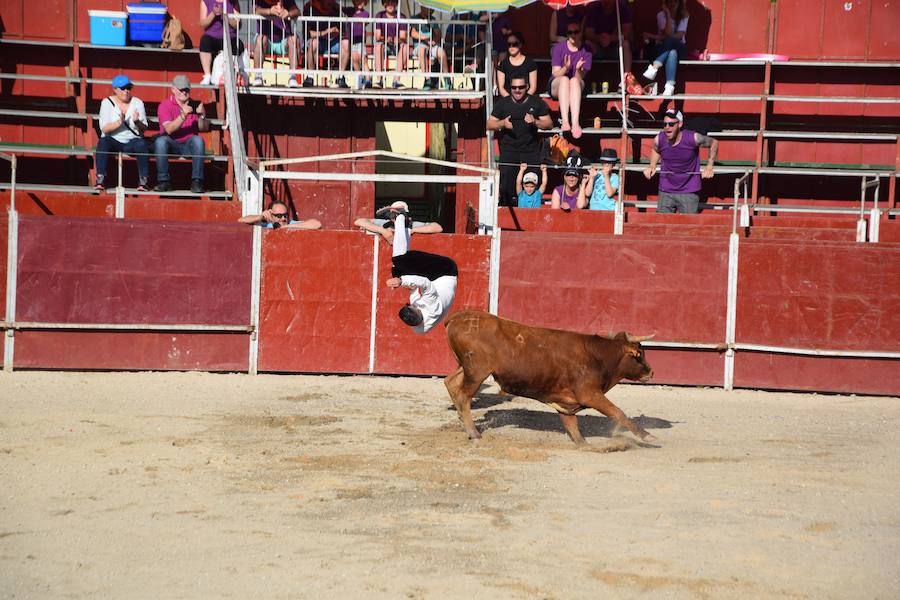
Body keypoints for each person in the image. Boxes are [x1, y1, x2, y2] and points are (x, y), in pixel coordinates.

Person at [380, 203, 457, 335]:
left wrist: (408, 286)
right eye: (413, 306)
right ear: (418, 310)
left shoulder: (419, 329)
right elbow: (425, 283)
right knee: (400, 260)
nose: (413, 304)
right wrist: (401, 281)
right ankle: (400, 216)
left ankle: (405, 229)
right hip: (444, 270)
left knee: (398, 270)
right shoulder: (432, 306)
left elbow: (415, 293)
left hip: (436, 279)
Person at [487, 75, 553, 207]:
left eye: (521, 87)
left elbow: (549, 123)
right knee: (507, 189)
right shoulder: (503, 103)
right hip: (509, 151)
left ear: (527, 87)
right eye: (514, 87)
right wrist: (502, 124)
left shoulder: (536, 102)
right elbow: (489, 124)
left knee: (532, 188)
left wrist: (535, 121)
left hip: (531, 151)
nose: (517, 90)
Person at [643, 109, 718, 214]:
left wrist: (709, 166)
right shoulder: (659, 139)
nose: (667, 127)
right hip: (666, 190)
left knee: (688, 226)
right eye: (664, 124)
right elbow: (656, 149)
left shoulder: (692, 138)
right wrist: (652, 165)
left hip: (689, 191)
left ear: (680, 124)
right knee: (662, 225)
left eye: (671, 124)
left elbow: (713, 143)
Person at [94, 75, 150, 192]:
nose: (126, 91)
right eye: (123, 88)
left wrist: (136, 121)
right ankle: (100, 178)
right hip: (113, 139)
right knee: (103, 142)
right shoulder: (107, 102)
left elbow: (144, 128)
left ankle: (143, 180)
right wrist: (119, 122)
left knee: (141, 144)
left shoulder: (137, 102)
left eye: (128, 87)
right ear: (115, 89)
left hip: (132, 140)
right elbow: (104, 128)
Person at [155, 75, 207, 194]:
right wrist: (183, 116)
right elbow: (168, 129)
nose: (184, 92)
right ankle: (163, 181)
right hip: (171, 143)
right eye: (181, 89)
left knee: (198, 140)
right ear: (173, 89)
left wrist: (202, 116)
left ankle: (197, 181)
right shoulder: (165, 105)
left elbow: (204, 128)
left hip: (189, 144)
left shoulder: (195, 104)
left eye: (186, 89)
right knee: (160, 142)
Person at [549, 24, 592, 139]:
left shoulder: (586, 50)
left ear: (580, 33)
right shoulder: (559, 48)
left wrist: (577, 69)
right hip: (557, 84)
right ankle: (565, 121)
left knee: (573, 80)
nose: (573, 35)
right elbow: (555, 73)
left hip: (576, 83)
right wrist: (566, 69)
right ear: (567, 34)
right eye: (570, 32)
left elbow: (580, 78)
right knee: (564, 79)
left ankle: (575, 123)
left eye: (576, 32)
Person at [642, 0, 689, 97]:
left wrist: (654, 36)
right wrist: (668, 15)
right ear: (666, 3)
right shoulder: (661, 15)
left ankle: (654, 67)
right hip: (663, 48)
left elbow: (679, 36)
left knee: (671, 41)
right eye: (670, 1)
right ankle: (670, 86)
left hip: (681, 47)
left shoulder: (685, 15)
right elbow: (667, 33)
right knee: (672, 52)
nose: (673, 3)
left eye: (675, 1)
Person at [253, 0, 300, 87]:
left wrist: (288, 13)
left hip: (283, 41)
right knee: (260, 38)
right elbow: (256, 10)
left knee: (294, 38)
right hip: (267, 41)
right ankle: (258, 76)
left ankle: (292, 77)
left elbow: (297, 11)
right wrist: (269, 11)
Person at [584, 0, 633, 79]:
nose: (606, 2)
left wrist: (611, 38)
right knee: (587, 44)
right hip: (598, 46)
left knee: (626, 44)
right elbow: (588, 33)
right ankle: (583, 77)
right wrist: (599, 38)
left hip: (616, 47)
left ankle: (626, 78)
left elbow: (627, 32)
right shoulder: (594, 8)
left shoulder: (622, 8)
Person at [354, 201, 443, 244]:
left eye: (398, 213)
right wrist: (383, 231)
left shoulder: (411, 225)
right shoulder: (385, 224)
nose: (395, 217)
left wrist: (412, 230)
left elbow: (437, 227)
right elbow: (359, 221)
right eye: (392, 214)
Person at [198, 0, 243, 85]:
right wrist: (213, 14)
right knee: (204, 41)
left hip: (229, 36)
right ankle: (207, 75)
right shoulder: (205, 1)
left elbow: (237, 25)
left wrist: (224, 14)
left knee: (238, 45)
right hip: (212, 36)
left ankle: (234, 75)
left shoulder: (233, 2)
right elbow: (203, 23)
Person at [301, 0, 341, 88]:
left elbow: (342, 29)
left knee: (344, 44)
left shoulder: (336, 7)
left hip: (332, 41)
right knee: (313, 42)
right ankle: (310, 76)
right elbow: (307, 33)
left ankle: (340, 76)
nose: (331, 2)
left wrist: (338, 32)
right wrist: (325, 32)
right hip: (316, 41)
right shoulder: (309, 7)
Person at [409, 6, 449, 91]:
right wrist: (426, 37)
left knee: (441, 52)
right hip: (419, 46)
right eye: (428, 7)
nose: (431, 10)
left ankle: (446, 78)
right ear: (422, 7)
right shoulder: (414, 18)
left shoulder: (432, 19)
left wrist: (434, 40)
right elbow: (413, 33)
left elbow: (438, 34)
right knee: (422, 49)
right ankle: (427, 79)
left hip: (431, 46)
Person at [373, 0, 408, 89]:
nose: (390, 4)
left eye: (392, 2)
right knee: (378, 46)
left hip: (397, 46)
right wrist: (386, 38)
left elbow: (403, 36)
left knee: (405, 47)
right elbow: (377, 36)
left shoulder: (402, 17)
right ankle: (379, 79)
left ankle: (396, 80)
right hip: (385, 45)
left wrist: (398, 39)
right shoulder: (379, 16)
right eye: (387, 2)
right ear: (384, 4)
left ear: (396, 3)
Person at [338, 0, 370, 89]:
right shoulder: (351, 11)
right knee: (354, 59)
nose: (360, 2)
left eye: (362, 1)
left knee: (363, 60)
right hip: (351, 41)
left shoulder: (365, 13)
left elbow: (366, 21)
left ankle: (368, 80)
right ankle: (360, 78)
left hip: (360, 40)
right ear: (353, 2)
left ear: (366, 2)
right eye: (357, 0)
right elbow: (340, 8)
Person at [495, 31, 537, 97]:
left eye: (514, 44)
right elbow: (501, 88)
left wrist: (525, 100)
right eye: (509, 44)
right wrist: (511, 102)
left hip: (526, 100)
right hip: (508, 101)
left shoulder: (530, 63)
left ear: (520, 44)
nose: (511, 46)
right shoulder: (503, 64)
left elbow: (533, 87)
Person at [239, 200, 322, 229]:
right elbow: (241, 221)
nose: (283, 218)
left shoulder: (290, 223)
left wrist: (284, 227)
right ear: (271, 214)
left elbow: (317, 224)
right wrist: (261, 216)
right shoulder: (265, 225)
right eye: (278, 216)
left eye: (285, 215)